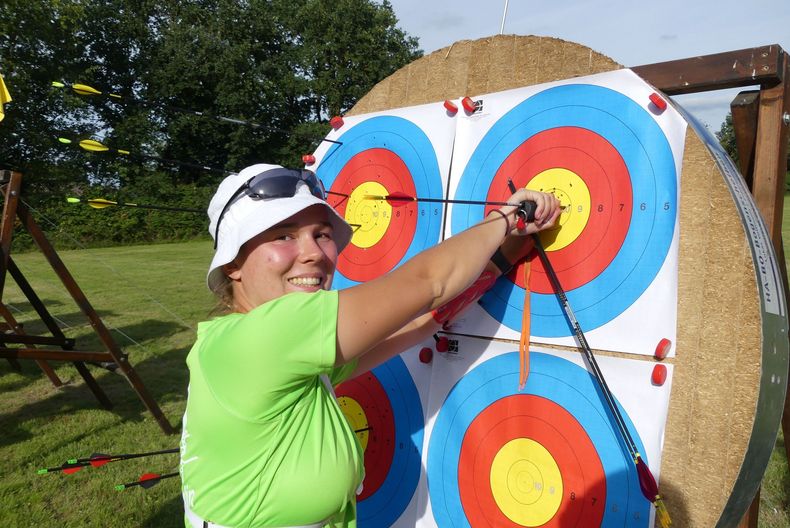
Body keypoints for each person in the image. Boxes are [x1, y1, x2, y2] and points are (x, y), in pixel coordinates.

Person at [180, 163, 561, 528]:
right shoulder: (267, 336)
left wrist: (506, 253)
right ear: (233, 264)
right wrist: (509, 217)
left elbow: (418, 321)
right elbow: (427, 283)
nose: (314, 253)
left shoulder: (268, 349)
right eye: (284, 235)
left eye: (322, 234)